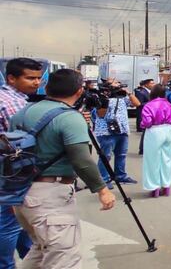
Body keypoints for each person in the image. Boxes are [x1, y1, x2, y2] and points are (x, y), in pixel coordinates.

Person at [11, 69, 115, 268]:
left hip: (21, 191)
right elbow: (81, 159)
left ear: (46, 88)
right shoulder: (70, 118)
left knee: (41, 249)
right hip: (50, 197)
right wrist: (102, 190)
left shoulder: (22, 112)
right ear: (79, 91)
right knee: (64, 258)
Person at [0, 58, 41, 267]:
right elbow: (26, 138)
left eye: (38, 78)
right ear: (11, 78)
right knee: (10, 225)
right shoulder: (11, 102)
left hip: (15, 171)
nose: (36, 83)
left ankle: (28, 261)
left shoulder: (20, 99)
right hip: (11, 174)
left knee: (24, 224)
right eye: (30, 78)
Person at [94, 78, 141, 188]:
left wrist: (128, 93)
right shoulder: (100, 97)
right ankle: (104, 179)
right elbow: (101, 114)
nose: (118, 85)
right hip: (106, 131)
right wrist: (105, 99)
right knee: (106, 156)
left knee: (121, 155)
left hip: (122, 130)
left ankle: (120, 176)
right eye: (115, 84)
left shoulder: (122, 97)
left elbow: (137, 104)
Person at [140, 84, 171, 198]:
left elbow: (147, 122)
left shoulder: (149, 105)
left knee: (152, 160)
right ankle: (166, 186)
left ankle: (154, 187)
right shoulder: (168, 104)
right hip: (167, 130)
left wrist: (143, 125)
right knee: (167, 159)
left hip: (154, 131)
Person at [135, 79, 155, 155]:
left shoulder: (151, 92)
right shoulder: (141, 92)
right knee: (145, 132)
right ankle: (142, 149)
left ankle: (147, 148)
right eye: (151, 83)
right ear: (146, 84)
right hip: (144, 113)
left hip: (151, 113)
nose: (153, 85)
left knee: (148, 132)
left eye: (153, 83)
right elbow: (139, 104)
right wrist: (152, 102)